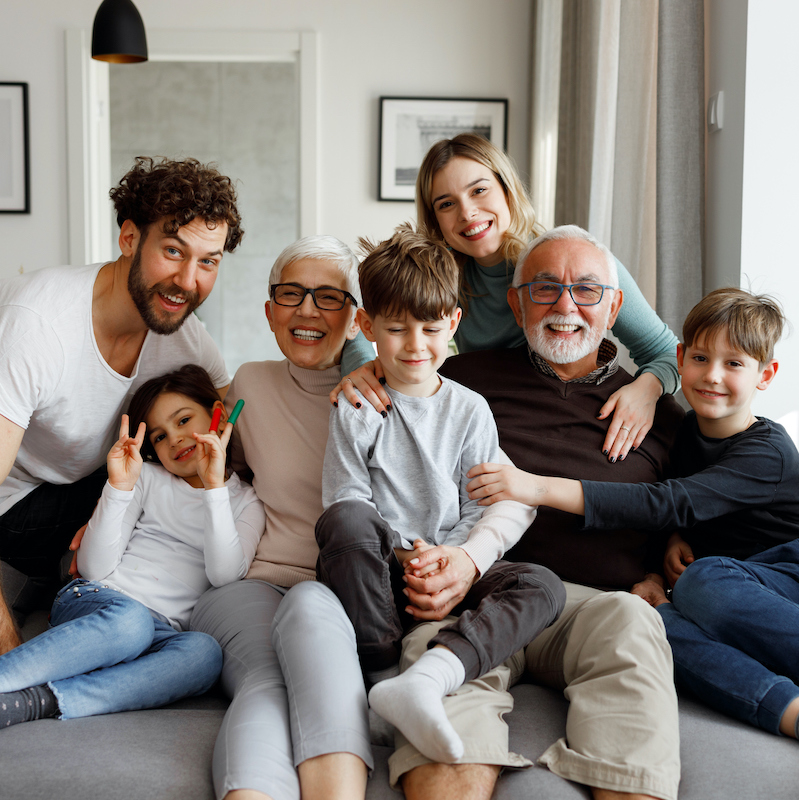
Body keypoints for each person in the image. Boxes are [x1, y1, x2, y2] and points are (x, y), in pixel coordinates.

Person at [392, 225, 685, 800]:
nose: (566, 305)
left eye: (587, 290)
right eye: (545, 288)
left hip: (593, 606)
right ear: (516, 301)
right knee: (436, 673)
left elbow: (684, 503)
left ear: (615, 305)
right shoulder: (456, 381)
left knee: (633, 622)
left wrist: (662, 566)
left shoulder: (659, 411)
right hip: (477, 590)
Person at [470, 287, 799, 741]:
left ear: (766, 375)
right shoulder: (683, 430)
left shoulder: (769, 453)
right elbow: (676, 509)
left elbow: (669, 501)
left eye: (734, 364)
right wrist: (661, 554)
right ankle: (787, 709)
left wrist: (539, 487)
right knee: (648, 620)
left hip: (785, 576)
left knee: (705, 580)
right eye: (701, 358)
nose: (713, 376)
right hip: (723, 582)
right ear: (680, 358)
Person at [314, 225, 565, 764]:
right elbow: (346, 497)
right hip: (379, 577)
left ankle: (432, 673)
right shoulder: (357, 405)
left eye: (430, 328)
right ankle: (380, 676)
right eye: (397, 329)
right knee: (345, 523)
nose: (415, 345)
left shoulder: (469, 408)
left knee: (542, 585)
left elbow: (480, 502)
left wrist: (449, 557)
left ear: (452, 323)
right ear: (368, 327)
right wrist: (407, 553)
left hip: (448, 569)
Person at [0, 156, 243, 654]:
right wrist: (6, 645)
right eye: (173, 251)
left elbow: (239, 417)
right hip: (19, 507)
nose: (188, 280)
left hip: (89, 491)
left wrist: (364, 371)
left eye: (208, 261)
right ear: (129, 238)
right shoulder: (39, 321)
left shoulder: (186, 338)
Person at [336, 133, 679, 465]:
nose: (467, 213)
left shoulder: (573, 263)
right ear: (436, 221)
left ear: (508, 190)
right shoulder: (444, 279)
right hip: (499, 422)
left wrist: (646, 389)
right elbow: (365, 317)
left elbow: (667, 351)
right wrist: (362, 366)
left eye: (479, 190)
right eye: (447, 204)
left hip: (574, 410)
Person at [189, 236, 373, 800]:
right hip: (255, 580)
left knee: (311, 616)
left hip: (344, 591)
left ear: (357, 317)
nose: (308, 311)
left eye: (328, 297)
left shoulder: (385, 395)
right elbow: (207, 463)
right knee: (266, 678)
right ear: (270, 312)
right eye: (291, 295)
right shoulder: (248, 383)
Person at [0, 364, 264, 728]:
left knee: (204, 654)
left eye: (184, 420)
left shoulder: (246, 502)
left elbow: (223, 575)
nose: (174, 439)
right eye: (159, 436)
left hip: (160, 629)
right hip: (99, 600)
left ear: (217, 415)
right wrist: (119, 488)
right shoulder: (149, 479)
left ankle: (36, 702)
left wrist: (214, 487)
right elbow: (94, 567)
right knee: (130, 623)